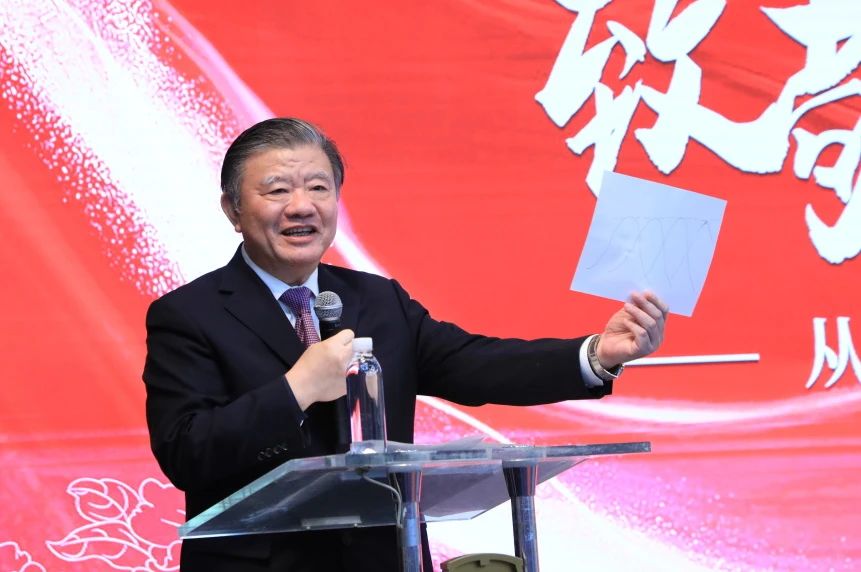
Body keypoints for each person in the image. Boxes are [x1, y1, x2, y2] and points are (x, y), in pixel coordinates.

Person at [143, 117, 669, 572]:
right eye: (277, 190)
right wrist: (295, 390)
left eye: (318, 188)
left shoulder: (377, 299)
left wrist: (596, 355)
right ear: (233, 209)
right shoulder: (189, 315)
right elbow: (187, 452)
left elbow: (475, 363)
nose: (301, 206)